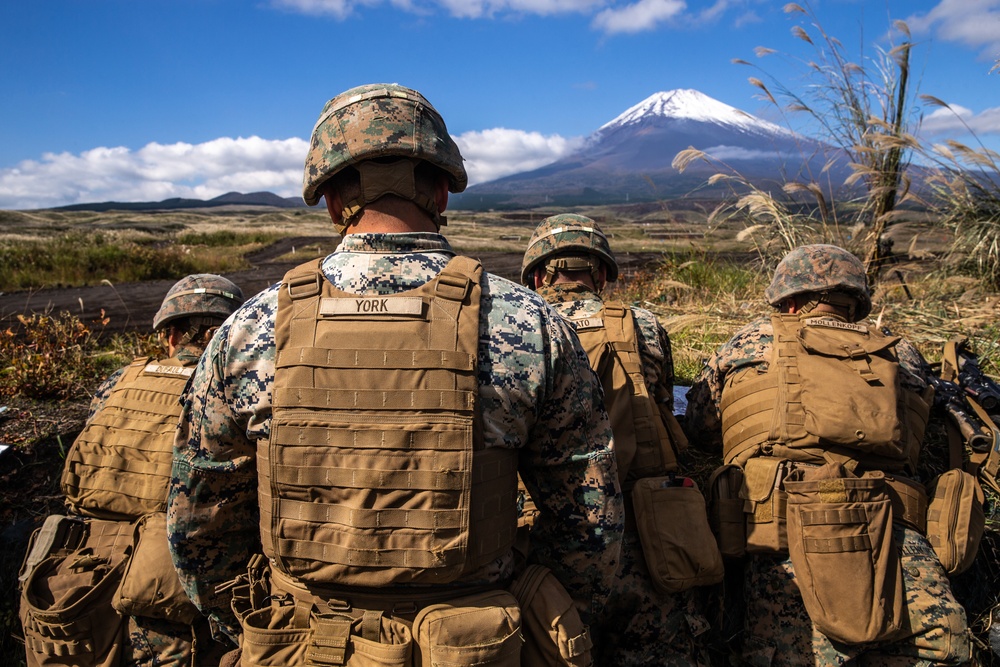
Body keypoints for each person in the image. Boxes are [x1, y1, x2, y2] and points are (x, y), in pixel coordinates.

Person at [166, 83, 623, 664]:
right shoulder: (529, 323)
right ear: (440, 191)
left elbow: (198, 524)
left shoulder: (246, 330)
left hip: (304, 645)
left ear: (331, 201)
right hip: (480, 644)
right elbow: (592, 523)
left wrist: (260, 631)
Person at [685, 244, 972, 666]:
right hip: (894, 535)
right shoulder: (899, 351)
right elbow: (915, 432)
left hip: (782, 537)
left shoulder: (748, 341)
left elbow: (701, 428)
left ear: (790, 300)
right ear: (855, 304)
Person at [19, 274, 244, 667]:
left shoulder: (118, 381)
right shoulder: (232, 392)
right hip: (177, 582)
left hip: (83, 575)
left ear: (170, 335)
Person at [520, 213, 714, 665]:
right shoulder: (642, 324)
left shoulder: (518, 324)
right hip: (647, 532)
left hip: (545, 536)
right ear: (601, 274)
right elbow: (664, 400)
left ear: (536, 275)